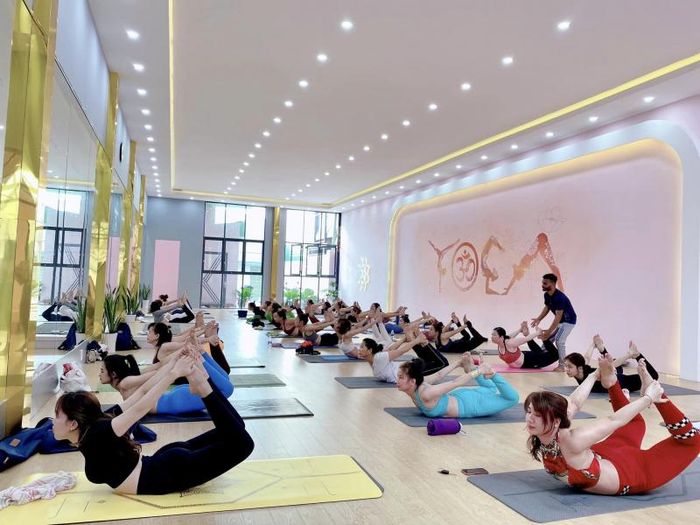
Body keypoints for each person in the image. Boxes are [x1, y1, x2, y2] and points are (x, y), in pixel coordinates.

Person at [52, 347, 254, 494]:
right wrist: (173, 369)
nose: (52, 422)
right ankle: (203, 381)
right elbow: (141, 394)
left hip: (167, 472)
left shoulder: (97, 433)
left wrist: (174, 373)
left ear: (73, 423)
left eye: (57, 416)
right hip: (162, 463)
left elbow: (140, 407)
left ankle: (203, 386)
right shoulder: (96, 428)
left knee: (243, 443)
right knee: (235, 431)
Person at [524, 355, 700, 495]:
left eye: (537, 415)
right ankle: (622, 386)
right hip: (628, 469)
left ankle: (645, 392)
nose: (530, 418)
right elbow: (575, 404)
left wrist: (648, 398)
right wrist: (594, 375)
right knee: (692, 441)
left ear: (556, 421)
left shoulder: (572, 439)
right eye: (529, 411)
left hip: (622, 466)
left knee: (637, 424)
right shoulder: (552, 426)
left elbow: (612, 420)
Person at [99, 348, 234, 415]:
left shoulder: (125, 383)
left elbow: (155, 374)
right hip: (174, 397)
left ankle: (200, 357)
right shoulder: (128, 381)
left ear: (114, 374)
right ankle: (201, 355)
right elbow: (157, 368)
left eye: (102, 371)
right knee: (224, 386)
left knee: (227, 389)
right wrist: (175, 359)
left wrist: (175, 364)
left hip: (173, 401)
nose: (99, 374)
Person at [397, 355, 519, 418]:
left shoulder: (426, 393)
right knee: (490, 389)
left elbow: (456, 382)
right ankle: (474, 369)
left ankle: (491, 374)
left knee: (513, 399)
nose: (397, 380)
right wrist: (458, 363)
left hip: (472, 405)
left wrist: (479, 371)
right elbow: (439, 375)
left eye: (401, 377)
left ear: (412, 381)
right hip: (462, 398)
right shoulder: (419, 384)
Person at [564, 336, 659, 393]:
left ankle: (637, 355)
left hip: (622, 383)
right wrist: (593, 344)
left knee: (654, 376)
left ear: (579, 368)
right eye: (566, 366)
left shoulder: (592, 375)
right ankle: (603, 350)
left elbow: (612, 365)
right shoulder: (581, 369)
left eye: (569, 367)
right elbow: (587, 357)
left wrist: (629, 354)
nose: (566, 369)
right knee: (613, 365)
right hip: (613, 374)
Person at [530, 273, 576, 370]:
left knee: (559, 341)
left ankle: (562, 366)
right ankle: (540, 356)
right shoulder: (546, 295)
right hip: (561, 321)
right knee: (548, 338)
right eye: (542, 283)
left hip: (568, 322)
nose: (542, 285)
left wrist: (548, 332)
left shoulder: (560, 298)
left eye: (545, 283)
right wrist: (539, 318)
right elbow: (547, 307)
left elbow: (558, 317)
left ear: (553, 284)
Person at [492, 321, 559, 369]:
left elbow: (526, 339)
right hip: (525, 357)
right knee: (539, 352)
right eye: (492, 334)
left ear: (501, 337)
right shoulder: (502, 341)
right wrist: (520, 329)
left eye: (494, 335)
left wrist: (538, 332)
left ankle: (544, 338)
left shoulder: (510, 343)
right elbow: (509, 336)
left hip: (530, 361)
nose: (491, 337)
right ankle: (529, 334)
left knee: (556, 355)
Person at [358, 335, 423, 383]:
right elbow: (390, 349)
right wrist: (404, 339)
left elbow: (401, 351)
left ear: (370, 350)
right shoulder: (375, 358)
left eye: (362, 347)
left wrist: (417, 340)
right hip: (405, 371)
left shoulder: (379, 357)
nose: (359, 349)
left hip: (410, 372)